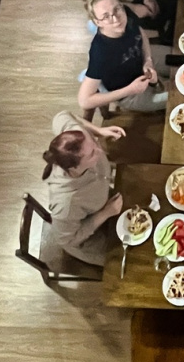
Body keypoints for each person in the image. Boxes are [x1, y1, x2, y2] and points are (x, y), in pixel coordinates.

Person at [39, 112, 126, 266]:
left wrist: (98, 131)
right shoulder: (66, 203)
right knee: (128, 260)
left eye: (94, 143)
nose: (100, 150)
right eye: (92, 153)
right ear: (74, 167)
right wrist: (105, 213)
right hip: (89, 237)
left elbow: (61, 115)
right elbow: (68, 240)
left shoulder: (78, 137)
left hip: (105, 197)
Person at [78, 0, 167, 114]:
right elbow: (84, 101)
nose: (116, 19)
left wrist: (148, 60)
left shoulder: (127, 13)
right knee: (179, 95)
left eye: (117, 9)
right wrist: (130, 90)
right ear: (97, 22)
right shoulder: (100, 52)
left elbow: (140, 33)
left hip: (144, 59)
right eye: (106, 16)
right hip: (129, 93)